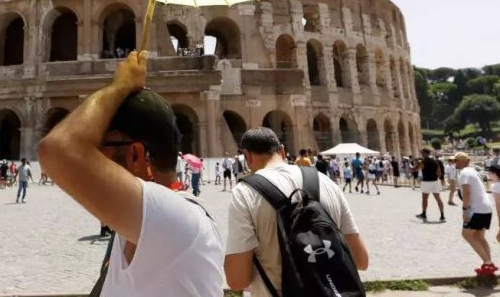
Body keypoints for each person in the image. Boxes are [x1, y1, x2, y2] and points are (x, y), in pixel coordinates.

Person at [38, 51, 224, 296]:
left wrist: (120, 86)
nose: (95, 159)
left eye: (99, 149)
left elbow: (57, 150)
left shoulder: (174, 220)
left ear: (135, 154)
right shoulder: (146, 223)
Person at [224, 127, 368, 296]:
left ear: (247, 156)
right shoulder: (325, 182)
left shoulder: (245, 193)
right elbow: (361, 260)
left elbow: (237, 280)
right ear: (282, 150)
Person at [454, 152, 496, 276]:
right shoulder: (474, 171)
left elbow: (466, 192)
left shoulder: (464, 173)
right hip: (486, 207)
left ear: (462, 161)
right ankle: (489, 264)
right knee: (479, 237)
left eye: (456, 160)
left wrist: (465, 210)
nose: (454, 163)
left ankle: (487, 263)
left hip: (476, 209)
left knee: (466, 235)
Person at [416, 149, 446, 222]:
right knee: (438, 199)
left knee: (425, 199)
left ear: (425, 153)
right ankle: (442, 215)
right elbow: (439, 173)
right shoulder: (435, 161)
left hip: (426, 182)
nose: (421, 154)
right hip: (435, 181)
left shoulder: (422, 162)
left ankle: (424, 214)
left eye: (422, 153)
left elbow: (413, 169)